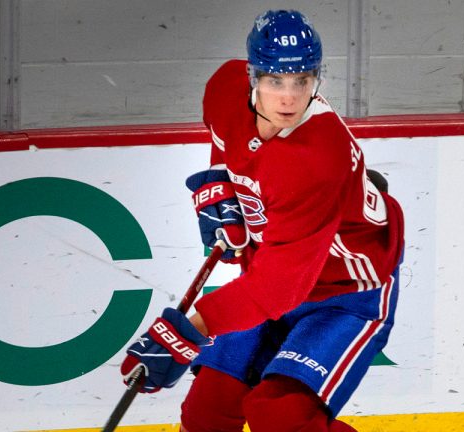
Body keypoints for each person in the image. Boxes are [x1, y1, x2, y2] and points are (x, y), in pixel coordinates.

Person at [121, 9, 404, 432]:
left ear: (317, 80)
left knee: (281, 415)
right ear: (252, 76)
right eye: (275, 81)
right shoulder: (223, 89)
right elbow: (226, 146)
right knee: (207, 410)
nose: (289, 98)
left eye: (302, 81)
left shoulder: (313, 158)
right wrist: (220, 188)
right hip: (271, 273)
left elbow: (276, 290)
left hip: (344, 292)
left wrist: (184, 334)